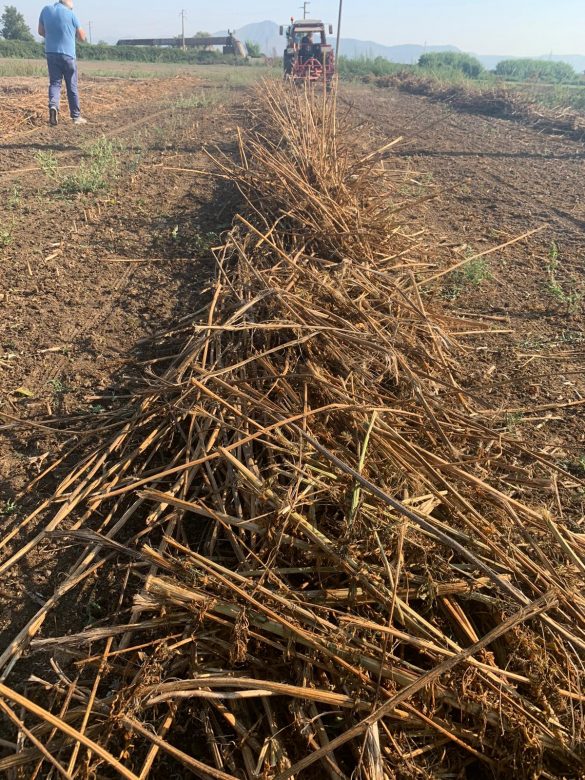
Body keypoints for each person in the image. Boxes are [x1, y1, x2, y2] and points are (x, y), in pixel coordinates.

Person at [38, 0, 87, 126]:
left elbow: (41, 31)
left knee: (55, 83)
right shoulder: (71, 14)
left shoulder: (45, 10)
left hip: (51, 53)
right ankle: (76, 117)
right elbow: (82, 37)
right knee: (71, 85)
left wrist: (53, 35)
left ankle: (53, 106)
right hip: (68, 54)